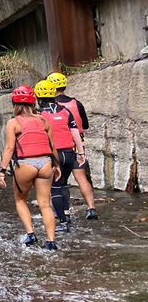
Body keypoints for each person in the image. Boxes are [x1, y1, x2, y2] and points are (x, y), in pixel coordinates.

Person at [0, 86, 61, 250]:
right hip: (46, 163)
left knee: (20, 200)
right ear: (34, 102)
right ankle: (51, 241)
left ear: (14, 104)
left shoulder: (13, 122)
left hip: (25, 164)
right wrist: (57, 165)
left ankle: (31, 234)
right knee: (45, 204)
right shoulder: (44, 120)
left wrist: (2, 171)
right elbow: (53, 146)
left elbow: (10, 148)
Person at [35, 79, 86, 232]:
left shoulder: (38, 114)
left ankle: (62, 222)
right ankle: (66, 212)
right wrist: (81, 152)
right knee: (63, 183)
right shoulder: (65, 111)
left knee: (55, 188)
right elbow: (75, 131)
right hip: (70, 153)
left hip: (53, 155)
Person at [46, 71, 98, 220]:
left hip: (59, 147)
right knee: (81, 177)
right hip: (77, 144)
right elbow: (85, 125)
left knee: (60, 180)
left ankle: (64, 212)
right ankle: (91, 208)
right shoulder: (76, 103)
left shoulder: (51, 107)